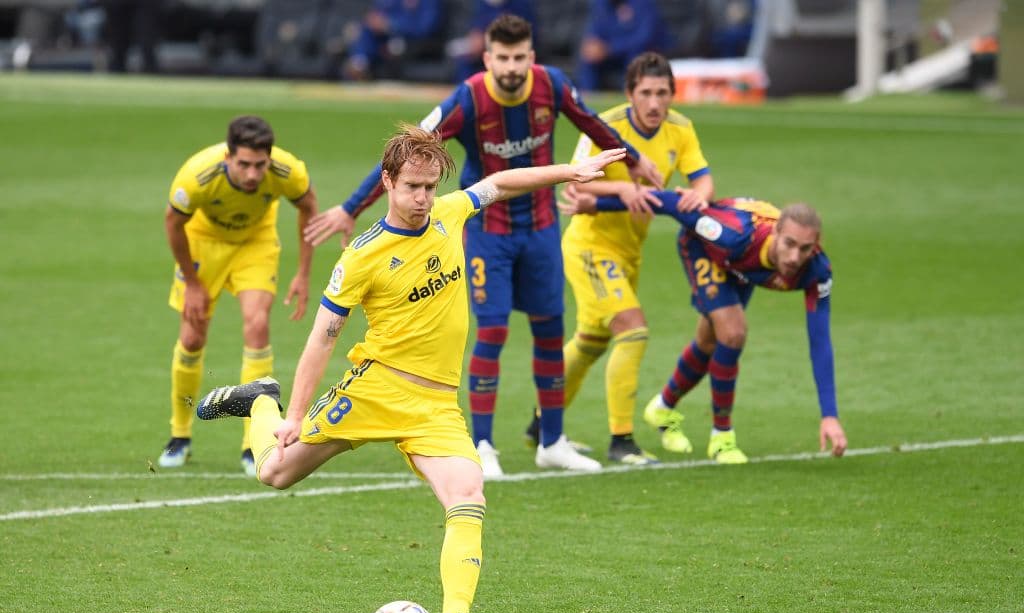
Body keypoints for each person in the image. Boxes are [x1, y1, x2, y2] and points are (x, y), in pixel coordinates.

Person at [195, 124, 627, 613]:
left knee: (468, 492)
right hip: (375, 390)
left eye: (429, 186)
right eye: (412, 187)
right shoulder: (361, 255)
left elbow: (501, 181)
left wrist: (570, 170)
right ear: (388, 183)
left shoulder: (449, 213)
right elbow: (322, 339)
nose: (423, 198)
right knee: (274, 473)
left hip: (436, 406)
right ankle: (262, 399)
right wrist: (294, 413)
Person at [305, 14, 663, 478]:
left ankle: (552, 441)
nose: (512, 67)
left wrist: (632, 160)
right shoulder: (469, 97)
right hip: (486, 233)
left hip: (539, 228)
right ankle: (485, 444)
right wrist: (352, 208)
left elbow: (592, 124)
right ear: (487, 58)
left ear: (531, 57)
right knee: (491, 332)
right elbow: (406, 154)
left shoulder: (552, 85)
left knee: (551, 331)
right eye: (503, 58)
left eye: (520, 57)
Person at [562, 193, 848, 462]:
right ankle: (722, 436)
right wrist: (598, 203)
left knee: (710, 341)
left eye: (805, 248)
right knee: (733, 332)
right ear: (775, 234)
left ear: (817, 244)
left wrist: (830, 415)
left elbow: (819, 341)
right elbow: (671, 203)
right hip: (704, 247)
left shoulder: (817, 271)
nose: (795, 257)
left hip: (740, 267)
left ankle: (662, 407)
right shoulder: (731, 235)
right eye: (789, 243)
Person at [533, 51, 712, 466]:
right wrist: (621, 190)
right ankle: (622, 440)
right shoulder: (606, 127)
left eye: (662, 93)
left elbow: (702, 180)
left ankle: (543, 425)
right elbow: (575, 187)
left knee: (591, 343)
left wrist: (697, 196)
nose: (655, 103)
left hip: (630, 252)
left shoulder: (680, 129)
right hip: (589, 249)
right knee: (633, 329)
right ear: (630, 94)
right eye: (646, 93)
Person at [159, 115, 318, 476]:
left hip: (255, 244)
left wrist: (304, 273)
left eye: (259, 165)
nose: (251, 174)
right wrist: (194, 284)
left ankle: (253, 443)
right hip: (204, 243)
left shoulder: (287, 170)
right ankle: (180, 435)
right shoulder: (197, 175)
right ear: (228, 156)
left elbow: (309, 207)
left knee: (258, 324)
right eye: (243, 164)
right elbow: (173, 222)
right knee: (192, 336)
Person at [575, 0, 667, 93]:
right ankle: (586, 97)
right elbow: (596, 30)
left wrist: (610, 49)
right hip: (611, 55)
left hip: (637, 53)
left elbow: (644, 38)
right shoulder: (601, 3)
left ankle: (631, 93)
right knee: (590, 55)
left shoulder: (643, 3)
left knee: (635, 55)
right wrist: (594, 45)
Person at [343, 0, 443, 81]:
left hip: (414, 41)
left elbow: (425, 28)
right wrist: (377, 23)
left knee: (394, 45)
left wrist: (390, 24)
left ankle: (360, 65)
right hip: (387, 38)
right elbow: (378, 15)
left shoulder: (430, 2)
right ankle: (359, 64)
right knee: (365, 30)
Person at [447, 0, 535, 82]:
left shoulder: (521, 4)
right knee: (463, 61)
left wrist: (490, 41)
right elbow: (476, 29)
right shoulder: (481, 4)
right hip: (482, 52)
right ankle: (467, 93)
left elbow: (527, 33)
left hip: (510, 48)